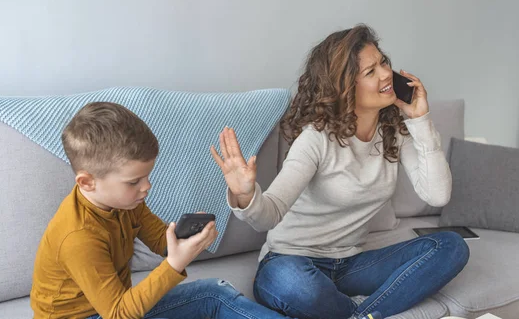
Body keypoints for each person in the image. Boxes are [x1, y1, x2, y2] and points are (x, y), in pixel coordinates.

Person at [210, 24, 470, 319]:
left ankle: (362, 315)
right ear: (345, 86)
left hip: (351, 264)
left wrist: (420, 120)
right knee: (295, 287)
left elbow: (437, 195)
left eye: (383, 62)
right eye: (370, 72)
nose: (386, 74)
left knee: (450, 246)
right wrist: (246, 195)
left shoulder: (393, 130)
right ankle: (366, 313)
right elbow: (270, 213)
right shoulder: (316, 139)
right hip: (291, 261)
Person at [30, 102, 295, 319]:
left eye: (146, 176)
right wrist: (175, 264)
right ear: (87, 182)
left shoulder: (125, 203)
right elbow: (119, 312)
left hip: (116, 309)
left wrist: (189, 237)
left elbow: (161, 241)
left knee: (214, 293)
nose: (147, 186)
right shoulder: (78, 237)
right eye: (134, 181)